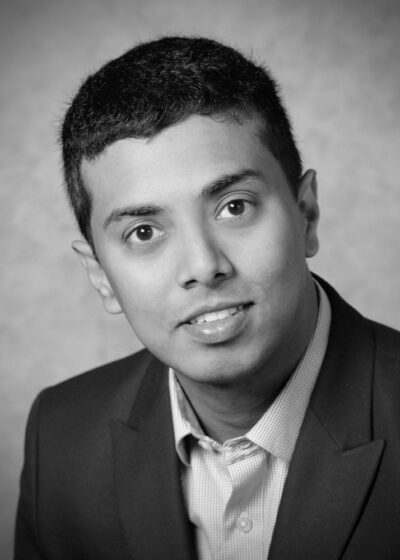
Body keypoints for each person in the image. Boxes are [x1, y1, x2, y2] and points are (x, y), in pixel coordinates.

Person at [14, 36, 400, 560]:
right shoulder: (60, 435)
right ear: (101, 276)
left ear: (306, 214)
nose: (202, 266)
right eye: (144, 233)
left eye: (234, 206)